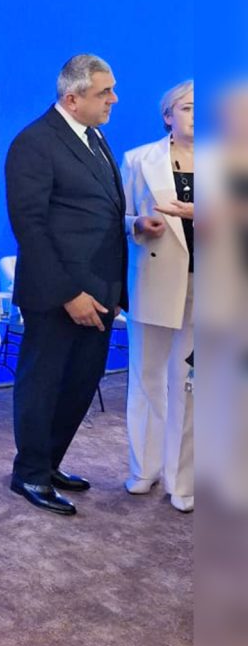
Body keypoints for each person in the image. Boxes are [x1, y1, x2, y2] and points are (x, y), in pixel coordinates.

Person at [4, 53, 127, 516]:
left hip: (101, 291)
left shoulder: (94, 137)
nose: (114, 99)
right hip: (59, 296)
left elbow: (99, 214)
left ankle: (49, 462)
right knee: (43, 385)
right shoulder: (33, 143)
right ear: (72, 99)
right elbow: (30, 228)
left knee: (79, 385)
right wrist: (69, 294)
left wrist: (117, 288)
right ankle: (29, 474)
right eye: (104, 92)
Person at [121, 80, 194, 512]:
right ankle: (143, 468)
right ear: (168, 115)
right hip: (153, 280)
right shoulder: (138, 159)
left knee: (191, 385)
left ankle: (182, 480)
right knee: (147, 377)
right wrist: (136, 225)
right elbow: (119, 215)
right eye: (188, 107)